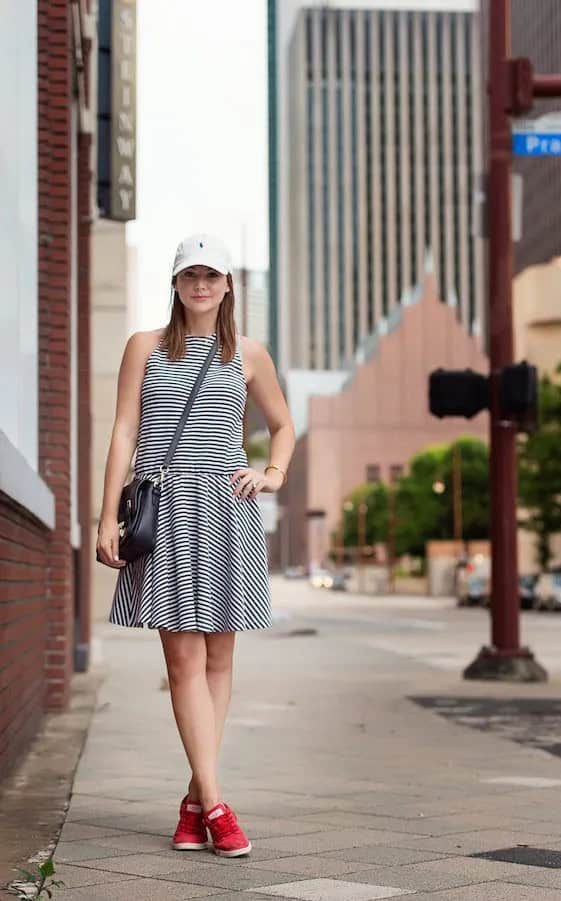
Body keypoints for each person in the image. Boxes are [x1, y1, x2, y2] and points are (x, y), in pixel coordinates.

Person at [96, 232, 295, 858]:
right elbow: (124, 431)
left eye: (212, 276)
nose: (201, 285)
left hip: (224, 508)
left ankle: (193, 800)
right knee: (181, 662)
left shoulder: (250, 354)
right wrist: (107, 518)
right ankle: (215, 806)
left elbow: (283, 426)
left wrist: (273, 473)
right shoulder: (144, 347)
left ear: (228, 285)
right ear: (176, 284)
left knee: (218, 661)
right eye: (190, 276)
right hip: (161, 510)